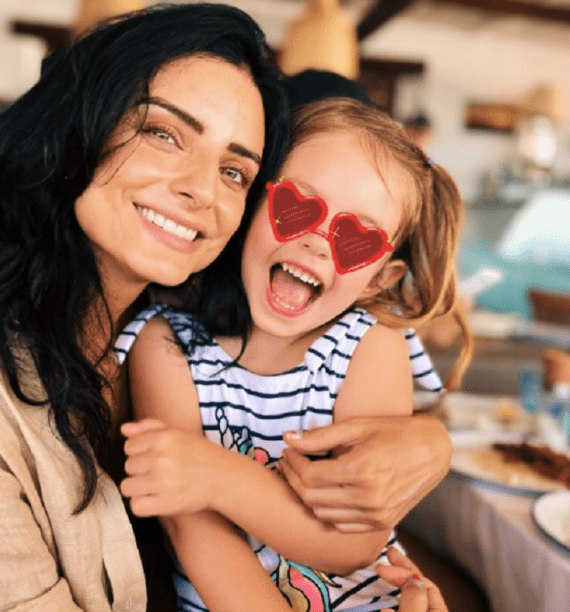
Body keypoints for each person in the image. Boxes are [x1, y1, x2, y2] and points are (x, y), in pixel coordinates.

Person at [0, 6, 452, 611]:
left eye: (234, 170)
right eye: (163, 132)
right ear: (80, 127)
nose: (202, 189)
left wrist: (428, 444)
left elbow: (354, 536)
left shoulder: (161, 316)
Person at [119, 97, 471, 611]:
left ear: (380, 278)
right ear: (254, 204)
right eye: (298, 207)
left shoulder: (371, 347)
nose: (319, 243)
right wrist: (199, 480)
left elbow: (356, 543)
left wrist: (215, 475)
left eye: (357, 238)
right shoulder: (163, 344)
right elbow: (193, 531)